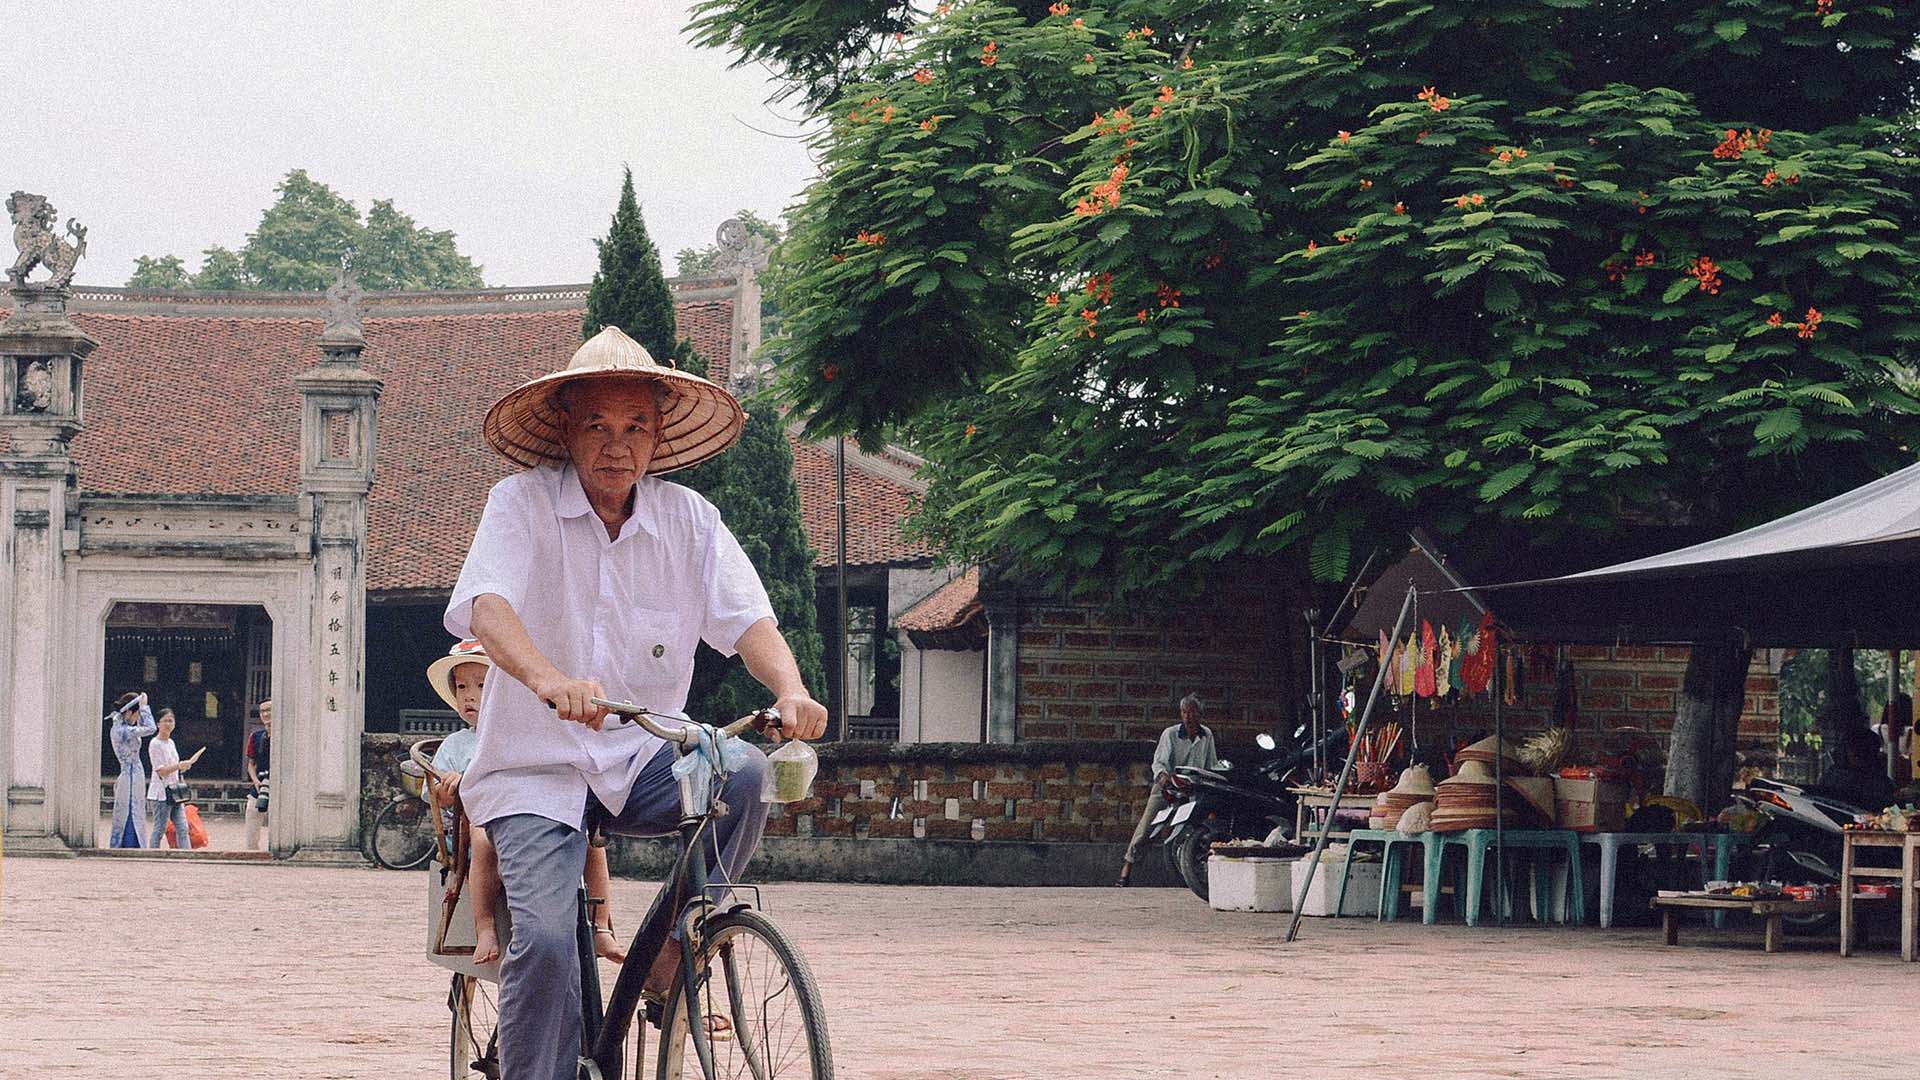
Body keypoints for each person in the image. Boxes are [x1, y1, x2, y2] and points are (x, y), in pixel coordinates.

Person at [447, 325, 828, 1080]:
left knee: (742, 771)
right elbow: (487, 607)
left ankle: (665, 954)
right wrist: (548, 678)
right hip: (534, 767)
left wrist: (790, 686)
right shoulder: (519, 503)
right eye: (597, 425)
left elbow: (749, 620)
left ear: (658, 437)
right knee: (551, 942)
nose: (616, 446)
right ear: (565, 427)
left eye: (635, 428)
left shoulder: (690, 521)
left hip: (640, 755)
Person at [424, 639, 625, 966]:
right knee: (481, 836)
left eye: (482, 685)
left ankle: (602, 925)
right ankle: (485, 925)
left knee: (591, 838)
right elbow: (438, 796)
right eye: (462, 687)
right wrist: (453, 786)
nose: (470, 695)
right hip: (479, 824)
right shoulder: (456, 745)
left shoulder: (525, 735)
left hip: (534, 814)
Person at [1116, 693, 1221, 886]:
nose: (1187, 717)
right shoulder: (1171, 734)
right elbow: (1160, 762)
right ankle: (1127, 867)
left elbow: (1211, 764)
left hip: (1192, 789)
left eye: (1192, 712)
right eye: (1184, 712)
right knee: (1146, 829)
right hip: (1168, 788)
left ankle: (1195, 872)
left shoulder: (1206, 735)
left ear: (1200, 714)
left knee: (1205, 825)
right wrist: (1164, 777)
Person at [146, 708, 204, 850]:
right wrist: (178, 765)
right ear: (158, 724)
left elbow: (174, 768)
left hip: (175, 791)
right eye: (165, 721)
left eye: (170, 720)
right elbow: (160, 771)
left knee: (183, 827)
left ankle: (186, 856)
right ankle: (152, 855)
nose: (168, 724)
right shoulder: (155, 744)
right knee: (160, 828)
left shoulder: (171, 743)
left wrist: (183, 767)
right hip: (161, 793)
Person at [107, 692, 156, 848]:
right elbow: (151, 728)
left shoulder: (124, 728)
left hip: (135, 774)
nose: (137, 718)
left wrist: (140, 707)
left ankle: (133, 842)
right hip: (129, 775)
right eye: (136, 714)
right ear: (128, 712)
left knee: (136, 808)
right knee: (129, 809)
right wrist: (145, 707)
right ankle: (128, 843)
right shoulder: (123, 731)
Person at [1819, 726, 1901, 810]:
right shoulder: (1834, 776)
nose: (1862, 755)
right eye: (1857, 752)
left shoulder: (1879, 781)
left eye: (1867, 751)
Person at [243, 699, 272, 850]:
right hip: (260, 783)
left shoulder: (285, 736)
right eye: (262, 711)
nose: (266, 714)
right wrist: (255, 781)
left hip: (280, 785)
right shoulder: (255, 736)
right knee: (252, 812)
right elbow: (251, 764)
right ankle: (252, 850)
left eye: (269, 710)